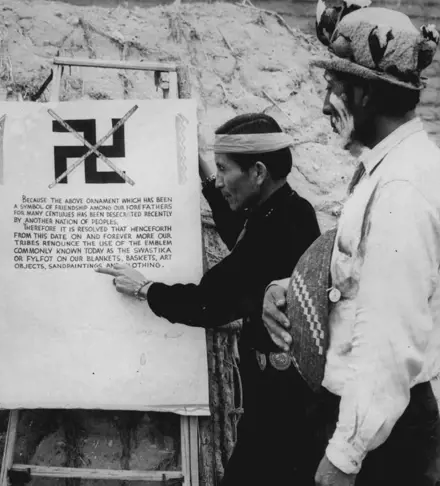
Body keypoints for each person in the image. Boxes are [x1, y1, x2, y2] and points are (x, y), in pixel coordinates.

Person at [262, 7, 440, 486]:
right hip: (380, 425)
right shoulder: (389, 170)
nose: (324, 104)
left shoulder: (401, 187)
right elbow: (363, 282)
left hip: (384, 443)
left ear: (363, 93)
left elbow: (388, 338)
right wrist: (292, 289)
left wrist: (344, 455)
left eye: (333, 88)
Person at [97, 113, 321, 486]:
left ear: (259, 172)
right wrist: (205, 177)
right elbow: (241, 236)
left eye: (223, 169)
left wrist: (145, 288)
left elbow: (210, 301)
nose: (218, 181)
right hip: (279, 396)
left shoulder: (280, 223)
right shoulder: (284, 210)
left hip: (283, 405)